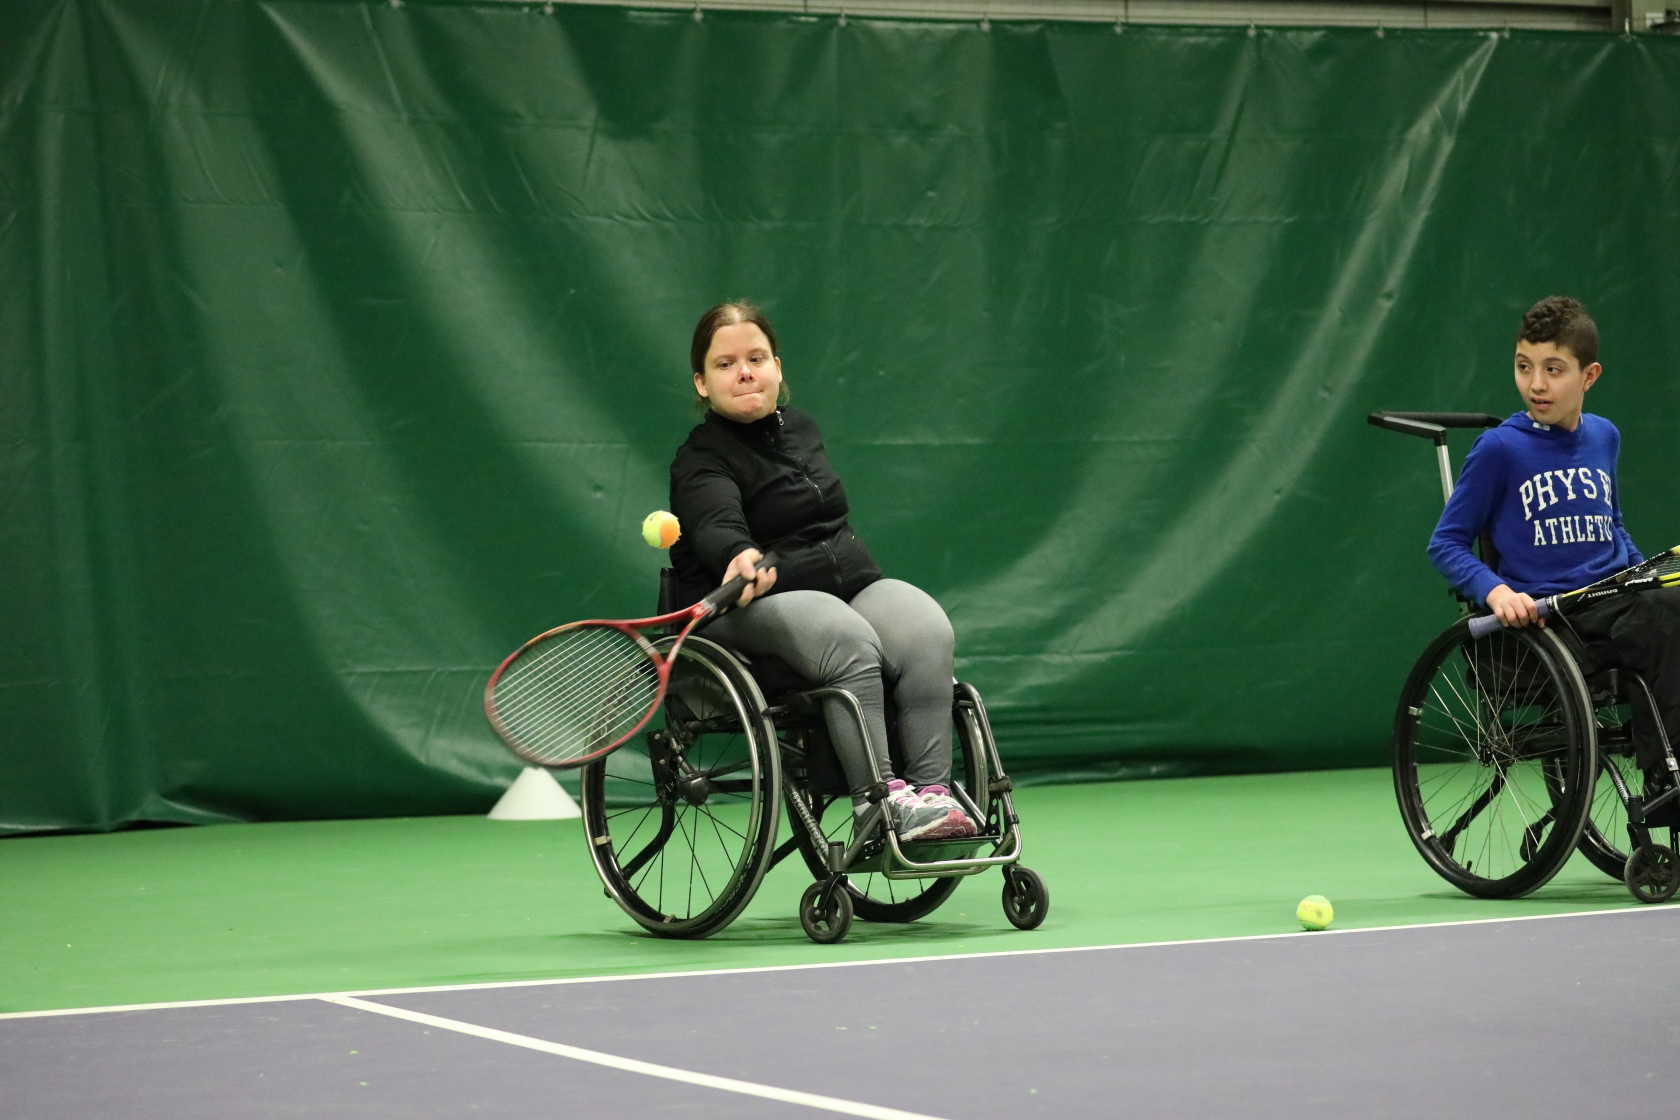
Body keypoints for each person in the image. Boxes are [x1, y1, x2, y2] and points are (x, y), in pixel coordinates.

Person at [667, 300, 977, 841]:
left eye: (756, 358)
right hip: (745, 607)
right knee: (849, 639)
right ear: (701, 383)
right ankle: (878, 804)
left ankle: (933, 799)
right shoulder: (700, 458)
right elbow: (715, 518)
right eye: (725, 364)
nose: (744, 371)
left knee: (929, 631)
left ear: (777, 368)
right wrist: (737, 554)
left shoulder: (802, 429)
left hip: (842, 583)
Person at [1428, 295, 1680, 814]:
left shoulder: (1604, 437)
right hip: (1553, 619)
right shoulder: (1500, 449)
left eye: (1553, 370)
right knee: (1663, 617)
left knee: (1666, 605)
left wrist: (1644, 572)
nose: (1536, 384)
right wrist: (1497, 593)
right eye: (1524, 367)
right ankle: (1666, 784)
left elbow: (1610, 526)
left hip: (1613, 602)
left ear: (1589, 376)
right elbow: (1446, 544)